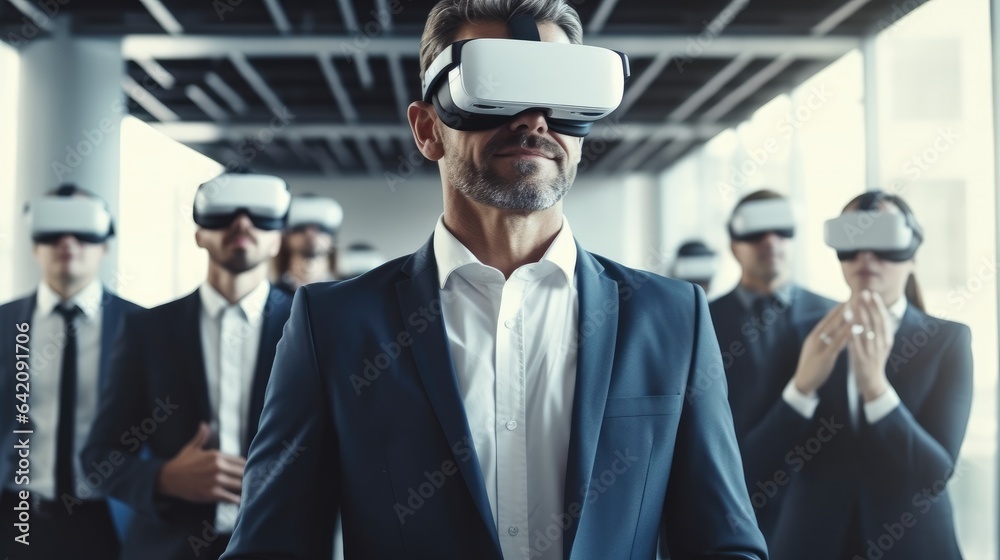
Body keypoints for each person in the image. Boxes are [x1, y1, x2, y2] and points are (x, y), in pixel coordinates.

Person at [222, 2, 767, 559]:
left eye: (559, 92)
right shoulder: (332, 326)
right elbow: (270, 548)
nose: (535, 119)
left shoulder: (673, 319)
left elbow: (724, 543)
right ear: (428, 129)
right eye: (498, 88)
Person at [81, 173, 294, 560]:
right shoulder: (147, 330)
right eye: (223, 213)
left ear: (279, 237)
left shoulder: (312, 325)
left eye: (260, 215)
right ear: (198, 233)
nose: (242, 223)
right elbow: (98, 456)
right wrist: (163, 478)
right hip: (169, 548)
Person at [751, 190, 972, 560]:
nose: (867, 255)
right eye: (853, 238)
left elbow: (935, 473)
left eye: (883, 239)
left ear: (913, 253)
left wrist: (876, 390)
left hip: (915, 546)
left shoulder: (947, 341)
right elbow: (754, 465)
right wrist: (802, 388)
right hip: (810, 543)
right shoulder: (802, 335)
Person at [0, 184, 141, 560]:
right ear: (34, 244)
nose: (68, 240)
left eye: (83, 229)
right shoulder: (3, 324)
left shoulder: (144, 327)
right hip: (17, 515)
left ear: (105, 243)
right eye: (53, 229)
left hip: (110, 517)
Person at [708, 189, 836, 534]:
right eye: (755, 232)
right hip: (732, 507)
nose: (771, 241)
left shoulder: (832, 318)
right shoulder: (701, 321)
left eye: (782, 229)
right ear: (734, 244)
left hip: (816, 511)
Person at [273, 194, 343, 293]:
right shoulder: (270, 296)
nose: (310, 233)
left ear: (332, 238)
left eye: (321, 227)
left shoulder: (348, 294)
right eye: (300, 227)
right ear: (285, 238)